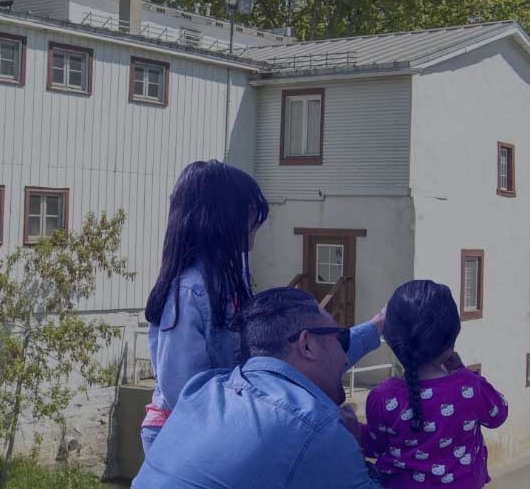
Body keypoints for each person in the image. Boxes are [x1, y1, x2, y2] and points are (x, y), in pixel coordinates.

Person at [140, 160, 381, 453]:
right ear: (219, 219)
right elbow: (184, 391)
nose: (257, 224)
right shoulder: (190, 289)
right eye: (250, 214)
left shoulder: (231, 275)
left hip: (219, 427)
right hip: (181, 434)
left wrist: (377, 327)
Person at [134, 287, 385, 489]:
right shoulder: (317, 428)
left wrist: (378, 325)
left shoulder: (203, 389)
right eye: (340, 338)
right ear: (307, 345)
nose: (345, 357)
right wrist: (356, 450)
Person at [358, 280, 507, 489]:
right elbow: (498, 415)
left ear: (392, 340)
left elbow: (374, 447)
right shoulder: (469, 388)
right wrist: (463, 371)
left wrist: (351, 429)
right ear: (452, 338)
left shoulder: (382, 398)